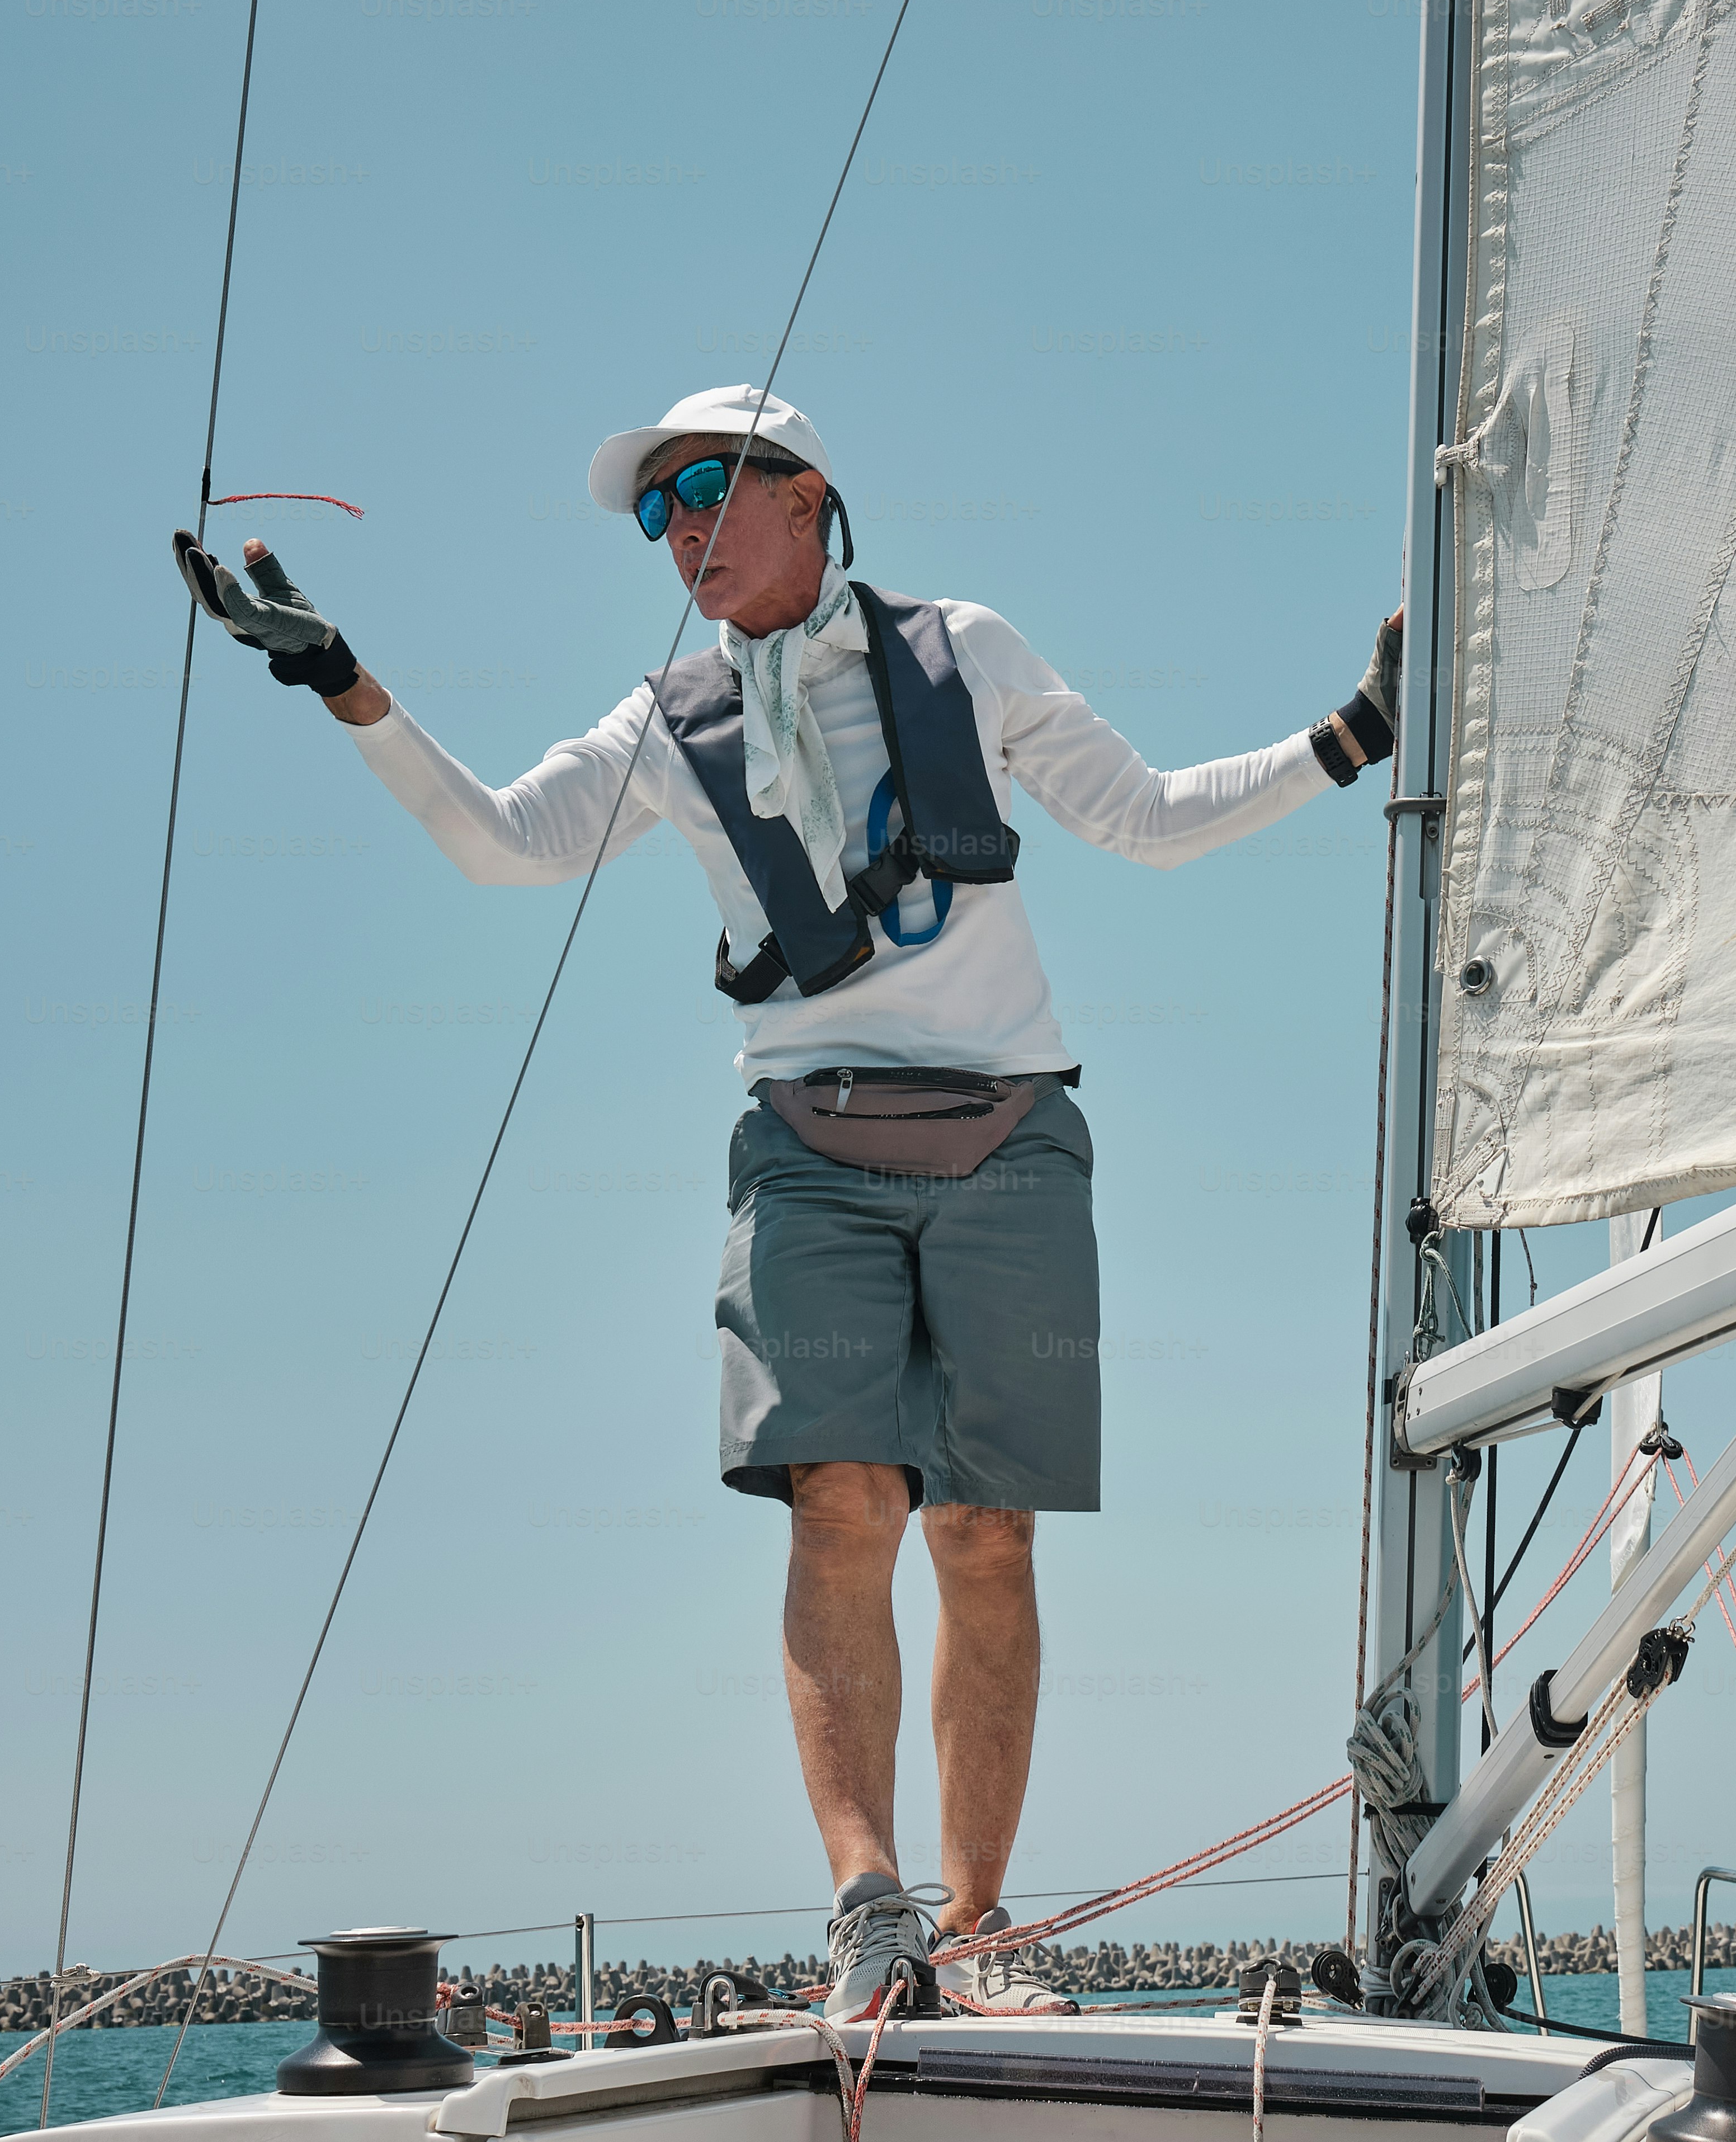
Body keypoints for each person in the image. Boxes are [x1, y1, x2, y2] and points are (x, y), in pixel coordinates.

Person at [171, 386, 1400, 2020]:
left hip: (1012, 1138)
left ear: (809, 492)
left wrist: (1361, 730)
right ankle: (871, 1911)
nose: (677, 527)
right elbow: (503, 847)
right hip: (811, 1148)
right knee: (843, 1505)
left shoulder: (970, 648)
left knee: (987, 1533)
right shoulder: (665, 721)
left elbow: (1154, 821)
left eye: (700, 487)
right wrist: (339, 676)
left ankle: (974, 1935)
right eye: (652, 511)